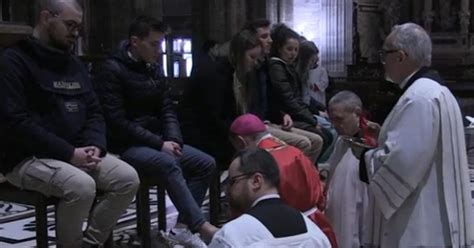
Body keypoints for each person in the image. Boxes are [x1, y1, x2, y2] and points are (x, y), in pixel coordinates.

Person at [0, 1, 140, 247]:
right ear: (46, 18)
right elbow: (15, 123)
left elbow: (94, 111)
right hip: (26, 157)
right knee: (81, 186)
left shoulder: (73, 64)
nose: (75, 33)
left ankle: (89, 243)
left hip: (76, 151)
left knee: (127, 177)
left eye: (78, 27)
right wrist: (68, 153)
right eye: (70, 25)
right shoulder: (13, 61)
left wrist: (95, 144)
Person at [94, 16, 217, 247]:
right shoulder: (111, 69)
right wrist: (160, 145)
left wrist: (172, 138)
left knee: (205, 163)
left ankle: (181, 228)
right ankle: (201, 225)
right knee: (167, 163)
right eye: (154, 44)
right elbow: (117, 122)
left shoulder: (153, 68)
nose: (159, 50)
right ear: (134, 42)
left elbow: (167, 107)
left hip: (157, 140)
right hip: (125, 145)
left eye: (161, 44)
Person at [355, 23, 474, 247]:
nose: (383, 61)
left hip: (419, 222)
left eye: (385, 54)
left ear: (400, 56)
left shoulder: (419, 98)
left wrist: (365, 158)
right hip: (432, 212)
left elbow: (401, 161)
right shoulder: (436, 91)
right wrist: (385, 135)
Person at [229, 113, 338, 247]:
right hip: (315, 227)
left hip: (278, 231)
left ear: (241, 142)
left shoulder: (258, 164)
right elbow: (317, 190)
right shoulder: (295, 152)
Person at [208, 148, 331, 247]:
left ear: (256, 181)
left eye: (233, 181)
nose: (227, 190)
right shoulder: (314, 231)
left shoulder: (232, 235)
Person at [268, 24, 325, 163]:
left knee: (322, 134)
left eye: (296, 50)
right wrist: (312, 120)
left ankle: (306, 174)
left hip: (287, 114)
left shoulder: (286, 67)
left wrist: (313, 116)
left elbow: (296, 98)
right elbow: (288, 99)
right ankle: (298, 175)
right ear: (279, 48)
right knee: (316, 136)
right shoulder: (276, 67)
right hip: (280, 117)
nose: (293, 53)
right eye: (289, 49)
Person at [325, 91, 374, 248]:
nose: (336, 125)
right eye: (332, 120)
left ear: (357, 113)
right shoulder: (341, 141)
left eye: (340, 119)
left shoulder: (370, 145)